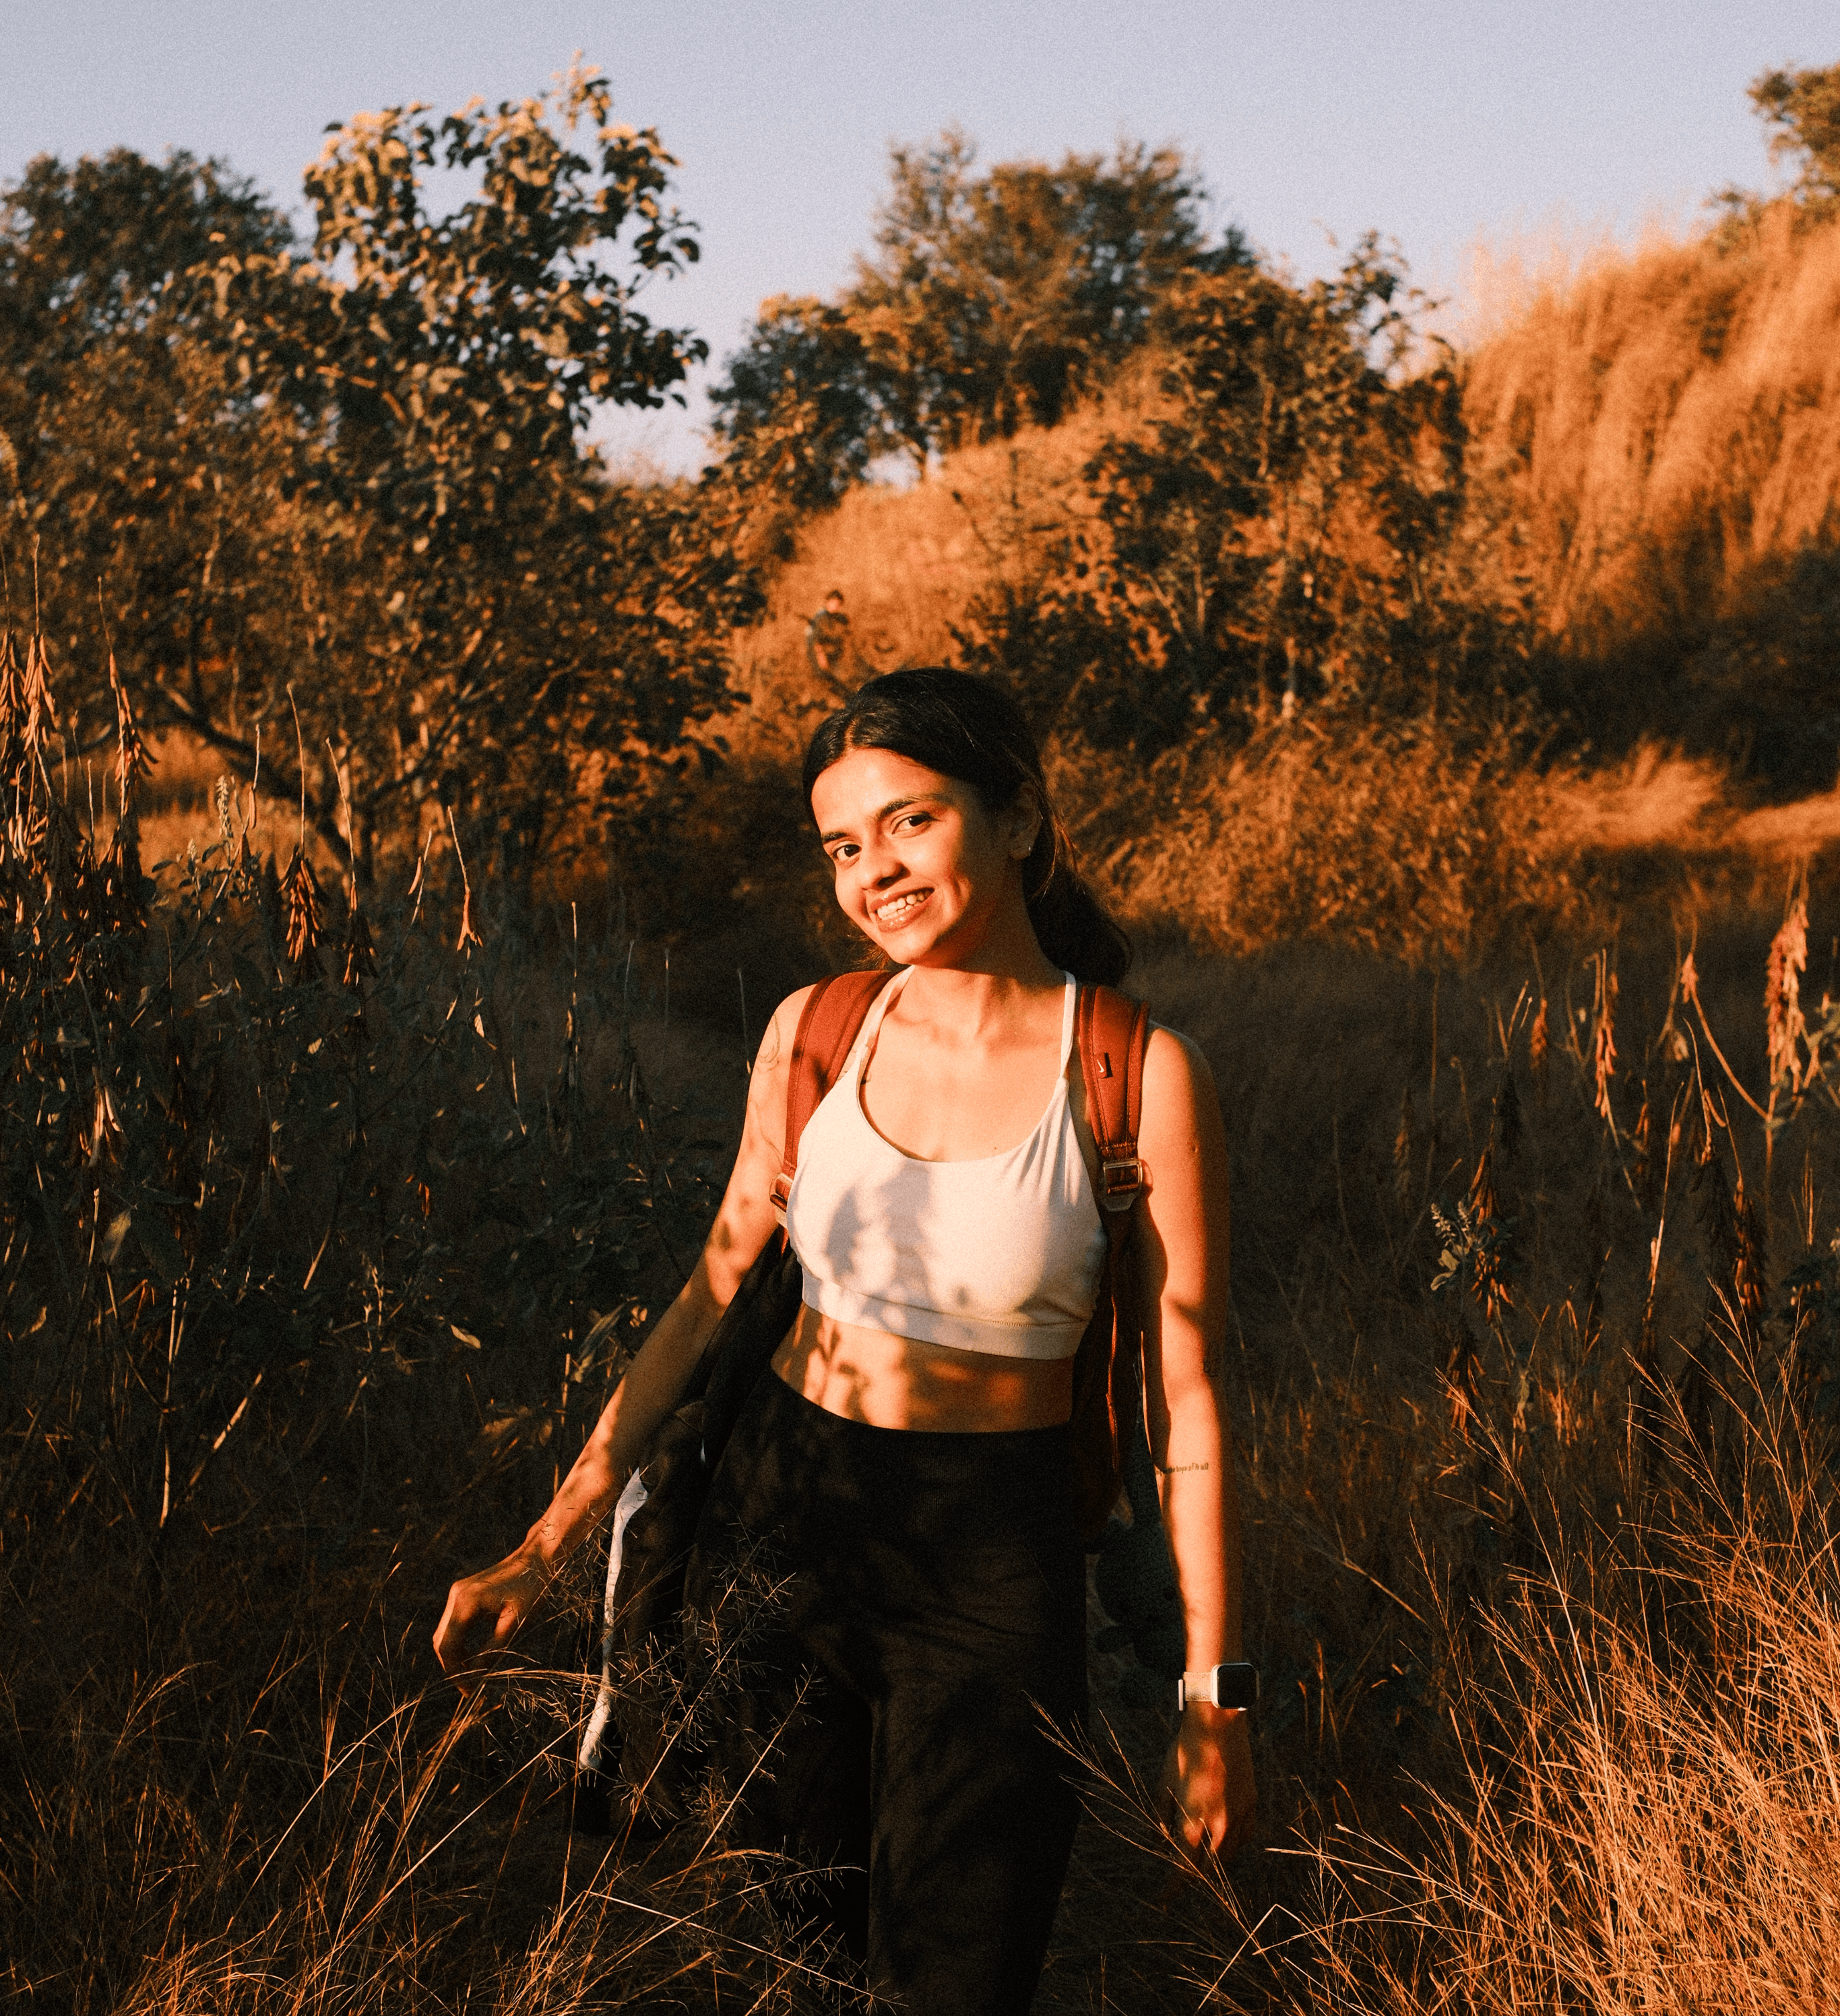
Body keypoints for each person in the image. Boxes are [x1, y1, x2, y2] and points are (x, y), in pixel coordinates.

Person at [435, 667, 1256, 2014]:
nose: (873, 869)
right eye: (840, 845)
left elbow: (1192, 1406)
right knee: (791, 1957)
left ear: (1019, 819)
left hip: (997, 1561)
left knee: (957, 1974)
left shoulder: (1136, 1071)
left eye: (909, 821)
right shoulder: (815, 1030)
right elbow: (704, 1302)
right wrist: (547, 1538)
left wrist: (1212, 1699)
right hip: (786, 1523)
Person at [806, 588, 851, 679]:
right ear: (827, 602)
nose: (835, 606)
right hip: (822, 656)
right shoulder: (821, 618)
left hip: (835, 655)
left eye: (838, 604)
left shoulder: (840, 618)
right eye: (833, 602)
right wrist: (821, 657)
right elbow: (815, 640)